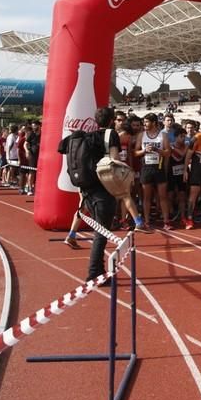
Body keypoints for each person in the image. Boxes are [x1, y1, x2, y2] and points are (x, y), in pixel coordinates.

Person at [58, 106, 122, 285]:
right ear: (111, 121)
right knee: (101, 232)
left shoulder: (86, 137)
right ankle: (95, 273)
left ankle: (96, 269)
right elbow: (114, 161)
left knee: (99, 229)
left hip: (87, 188)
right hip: (104, 187)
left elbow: (61, 147)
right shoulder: (111, 136)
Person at [136, 113, 172, 231]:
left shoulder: (163, 135)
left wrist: (157, 149)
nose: (144, 124)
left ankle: (166, 221)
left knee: (163, 196)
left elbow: (168, 152)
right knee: (147, 197)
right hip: (146, 167)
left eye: (146, 122)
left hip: (159, 167)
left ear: (154, 123)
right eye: (144, 122)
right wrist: (144, 151)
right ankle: (146, 222)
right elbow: (135, 153)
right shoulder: (141, 135)